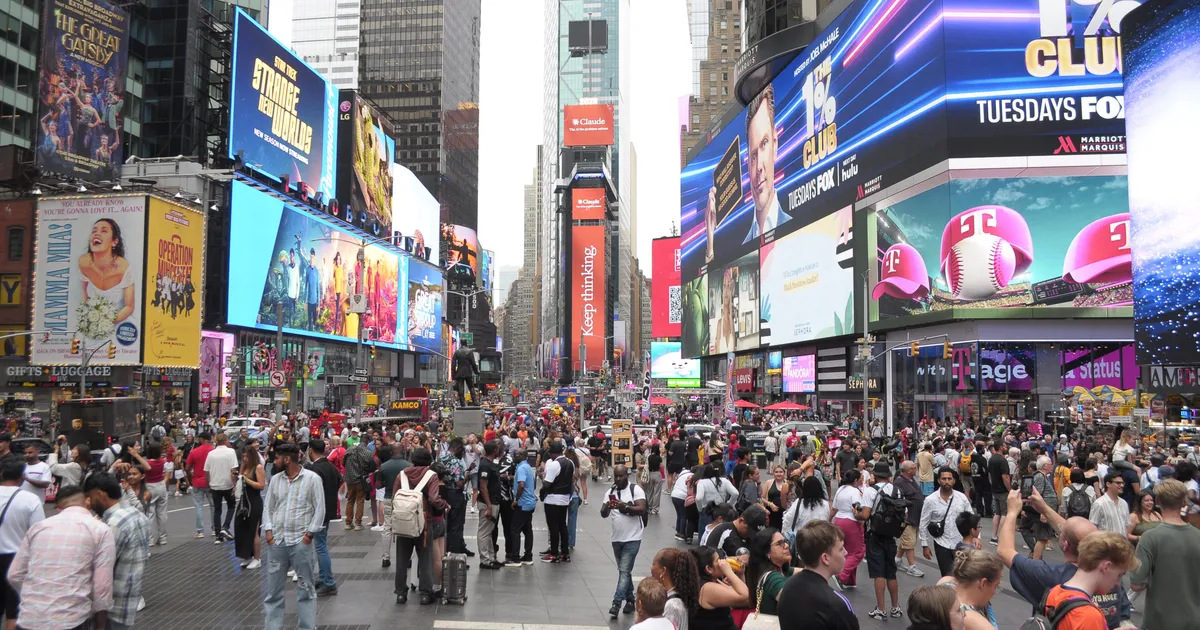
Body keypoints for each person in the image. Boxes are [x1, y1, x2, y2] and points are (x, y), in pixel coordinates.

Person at [998, 489, 1133, 629]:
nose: (1117, 581)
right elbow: (1075, 533)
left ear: (1065, 544)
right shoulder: (1110, 574)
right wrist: (1044, 509)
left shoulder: (1051, 582)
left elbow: (1004, 551)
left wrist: (1013, 512)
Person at [9, 485, 115, 630]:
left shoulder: (39, 528)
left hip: (29, 618)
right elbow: (102, 586)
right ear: (87, 501)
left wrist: (35, 596)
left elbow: (14, 575)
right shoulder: (100, 529)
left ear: (58, 506)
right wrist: (101, 623)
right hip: (71, 618)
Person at [262, 442, 325, 630]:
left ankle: (307, 627)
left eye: (277, 458)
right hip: (278, 541)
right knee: (273, 591)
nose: (274, 461)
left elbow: (319, 508)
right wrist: (269, 532)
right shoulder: (276, 480)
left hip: (300, 541)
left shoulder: (312, 479)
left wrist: (309, 535)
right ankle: (272, 627)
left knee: (306, 589)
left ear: (287, 459)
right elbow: (269, 507)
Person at [1130, 479, 1200, 630]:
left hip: (1159, 621)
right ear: (1184, 503)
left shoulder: (1150, 538)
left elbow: (1136, 584)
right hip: (1194, 620)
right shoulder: (1198, 535)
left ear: (1157, 500)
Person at [84, 473, 150, 630]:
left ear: (100, 494)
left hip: (110, 607)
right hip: (128, 600)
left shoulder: (115, 524)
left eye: (89, 497)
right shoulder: (135, 514)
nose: (89, 503)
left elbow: (101, 564)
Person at [1041, 532, 1137, 630]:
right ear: (1106, 567)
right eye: (1119, 575)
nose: (1117, 584)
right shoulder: (1089, 615)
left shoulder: (1054, 592)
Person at [777, 520, 859, 630]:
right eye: (840, 549)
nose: (845, 552)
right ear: (825, 558)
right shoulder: (836, 605)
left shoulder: (788, 586)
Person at [392, 447, 448, 604]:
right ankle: (425, 593)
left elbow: (395, 496)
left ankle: (401, 593)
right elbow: (434, 499)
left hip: (403, 522)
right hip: (424, 522)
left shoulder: (402, 475)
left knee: (402, 559)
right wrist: (444, 504)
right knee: (425, 557)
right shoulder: (431, 476)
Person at [0, 459, 44, 630]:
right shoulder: (30, 500)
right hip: (17, 560)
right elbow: (38, 534)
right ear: (22, 476)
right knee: (14, 612)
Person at [601, 465, 646, 618]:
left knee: (624, 571)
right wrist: (608, 505)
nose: (619, 479)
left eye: (621, 476)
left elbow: (641, 509)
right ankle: (631, 601)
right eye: (616, 476)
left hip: (633, 537)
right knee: (624, 571)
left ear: (627, 475)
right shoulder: (610, 492)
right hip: (616, 538)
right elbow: (603, 514)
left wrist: (623, 506)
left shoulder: (636, 490)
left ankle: (616, 602)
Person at [863, 462, 903, 620]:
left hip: (875, 534)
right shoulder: (897, 490)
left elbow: (865, 515)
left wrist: (857, 512)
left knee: (878, 572)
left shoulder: (870, 491)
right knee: (891, 572)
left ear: (875, 475)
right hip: (891, 535)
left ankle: (881, 609)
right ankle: (895, 607)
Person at [919, 467, 973, 577]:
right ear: (938, 480)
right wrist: (924, 545)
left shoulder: (961, 498)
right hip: (941, 543)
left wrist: (977, 538)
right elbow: (923, 523)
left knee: (964, 576)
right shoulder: (930, 500)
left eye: (949, 478)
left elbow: (971, 519)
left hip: (961, 543)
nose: (947, 481)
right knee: (947, 577)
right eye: (944, 479)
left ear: (954, 480)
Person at [306, 439, 341, 595]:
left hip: (318, 512)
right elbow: (340, 481)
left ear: (311, 450)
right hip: (328, 510)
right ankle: (323, 578)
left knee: (320, 547)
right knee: (320, 545)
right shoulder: (330, 467)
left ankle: (328, 581)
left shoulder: (315, 469)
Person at [935, 549, 1001, 630]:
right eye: (996, 586)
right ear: (983, 583)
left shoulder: (944, 582)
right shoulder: (975, 622)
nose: (994, 593)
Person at [687, 546, 748, 630]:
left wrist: (740, 574)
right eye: (718, 560)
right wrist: (729, 572)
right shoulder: (707, 588)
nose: (722, 562)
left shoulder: (714, 581)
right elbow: (745, 596)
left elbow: (744, 602)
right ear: (708, 569)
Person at [742, 528, 795, 615]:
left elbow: (807, 572)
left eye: (785, 541)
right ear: (767, 553)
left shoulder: (782, 569)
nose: (786, 545)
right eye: (780, 543)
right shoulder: (772, 578)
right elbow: (795, 603)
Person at [831, 469, 867, 589]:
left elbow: (834, 508)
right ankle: (842, 575)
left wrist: (827, 521)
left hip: (838, 520)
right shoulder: (855, 492)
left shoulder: (840, 489)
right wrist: (862, 521)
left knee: (846, 551)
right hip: (851, 522)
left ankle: (850, 580)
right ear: (856, 480)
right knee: (858, 552)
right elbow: (857, 508)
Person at [234, 438, 266, 570]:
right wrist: (239, 472)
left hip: (254, 501)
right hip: (243, 501)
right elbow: (238, 481)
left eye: (247, 457)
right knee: (241, 528)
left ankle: (257, 558)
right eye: (243, 457)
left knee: (253, 530)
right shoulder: (245, 467)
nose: (245, 459)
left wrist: (246, 480)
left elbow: (261, 485)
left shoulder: (258, 468)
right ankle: (246, 555)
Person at [650, 547, 699, 630]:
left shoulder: (672, 606)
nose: (651, 568)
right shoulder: (674, 598)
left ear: (663, 570)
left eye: (654, 564)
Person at [542, 440, 574, 563]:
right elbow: (571, 479)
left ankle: (554, 553)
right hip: (565, 499)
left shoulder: (554, 464)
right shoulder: (570, 462)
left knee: (553, 526)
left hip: (552, 499)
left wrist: (542, 478)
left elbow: (547, 483)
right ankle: (564, 553)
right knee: (562, 526)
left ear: (552, 453)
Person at [894, 460, 927, 577]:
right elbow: (899, 499)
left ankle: (897, 560)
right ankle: (912, 566)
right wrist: (905, 512)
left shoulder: (911, 480)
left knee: (907, 541)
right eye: (914, 468)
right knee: (909, 542)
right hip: (908, 518)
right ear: (908, 470)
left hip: (916, 516)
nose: (916, 469)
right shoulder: (899, 482)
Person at [204, 433, 238, 543]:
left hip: (215, 485)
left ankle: (218, 534)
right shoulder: (231, 452)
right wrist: (235, 484)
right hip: (227, 484)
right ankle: (225, 527)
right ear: (226, 440)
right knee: (231, 506)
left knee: (217, 509)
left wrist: (209, 483)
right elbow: (234, 470)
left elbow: (206, 471)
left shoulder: (211, 454)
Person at [475, 440, 503, 569]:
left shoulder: (490, 464)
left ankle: (491, 557)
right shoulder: (486, 465)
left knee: (489, 531)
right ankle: (485, 559)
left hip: (493, 501)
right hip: (488, 503)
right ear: (495, 451)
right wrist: (489, 506)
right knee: (484, 532)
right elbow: (483, 486)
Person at [508, 448, 536, 566]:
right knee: (527, 529)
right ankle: (528, 556)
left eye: (517, 454)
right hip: (530, 503)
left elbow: (521, 485)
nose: (515, 455)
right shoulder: (527, 467)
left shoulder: (521, 468)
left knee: (515, 529)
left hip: (523, 503)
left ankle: (515, 557)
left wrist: (516, 500)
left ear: (523, 455)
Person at [343, 437, 376, 531]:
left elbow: (343, 462)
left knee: (350, 500)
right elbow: (372, 466)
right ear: (367, 442)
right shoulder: (367, 452)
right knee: (360, 501)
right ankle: (358, 523)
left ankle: (348, 523)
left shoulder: (349, 449)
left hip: (349, 478)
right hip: (361, 479)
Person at [185, 432, 214, 539]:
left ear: (202, 439)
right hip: (211, 482)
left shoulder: (194, 452)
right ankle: (215, 529)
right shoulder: (214, 451)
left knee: (199, 506)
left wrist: (190, 478)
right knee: (213, 506)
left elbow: (187, 468)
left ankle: (200, 531)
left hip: (197, 481)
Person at [1090, 471, 1131, 536]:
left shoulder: (1124, 503)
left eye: (1122, 483)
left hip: (1122, 543)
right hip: (1106, 544)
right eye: (1118, 483)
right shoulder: (1099, 503)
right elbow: (1092, 527)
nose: (1122, 485)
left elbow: (1126, 526)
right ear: (1108, 484)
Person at [987, 441, 1011, 546]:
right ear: (1001, 447)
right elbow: (1005, 477)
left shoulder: (991, 459)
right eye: (1005, 446)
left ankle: (994, 536)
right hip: (1003, 490)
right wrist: (1010, 489)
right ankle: (1002, 538)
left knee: (997, 513)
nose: (1006, 448)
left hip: (995, 489)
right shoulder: (1002, 460)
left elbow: (990, 475)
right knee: (1004, 513)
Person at [761, 465, 790, 531]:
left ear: (784, 473)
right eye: (776, 472)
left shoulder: (788, 483)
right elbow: (762, 498)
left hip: (784, 513)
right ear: (773, 473)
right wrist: (769, 504)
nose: (778, 474)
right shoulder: (769, 482)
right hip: (772, 512)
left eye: (780, 472)